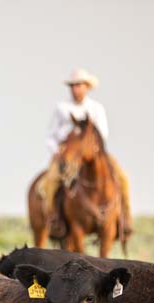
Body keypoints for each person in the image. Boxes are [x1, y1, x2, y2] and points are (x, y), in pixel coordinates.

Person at [38, 68, 131, 238]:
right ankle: (54, 219)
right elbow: (50, 136)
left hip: (94, 154)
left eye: (79, 85)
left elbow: (103, 133)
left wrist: (89, 148)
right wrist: (57, 152)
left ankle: (124, 221)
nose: (75, 89)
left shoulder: (96, 108)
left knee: (122, 178)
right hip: (66, 155)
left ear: (87, 87)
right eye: (72, 85)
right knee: (49, 183)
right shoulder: (62, 108)